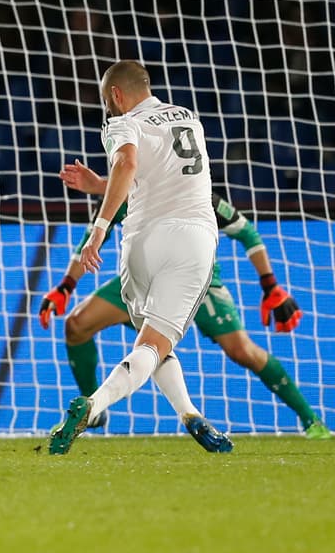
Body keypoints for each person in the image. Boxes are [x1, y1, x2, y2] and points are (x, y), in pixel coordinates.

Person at [40, 182, 332, 440]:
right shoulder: (120, 192)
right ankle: (91, 412)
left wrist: (270, 285)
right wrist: (65, 286)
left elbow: (247, 233)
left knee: (243, 351)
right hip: (142, 278)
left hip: (195, 279)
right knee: (77, 324)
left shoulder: (193, 188)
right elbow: (90, 242)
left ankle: (310, 419)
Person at [48, 60, 232, 455]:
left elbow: (128, 166)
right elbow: (148, 172)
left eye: (106, 100)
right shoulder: (190, 118)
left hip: (139, 245)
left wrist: (99, 222)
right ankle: (93, 405)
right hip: (191, 239)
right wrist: (103, 193)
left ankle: (190, 415)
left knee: (151, 343)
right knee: (153, 345)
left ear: (116, 95)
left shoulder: (121, 123)